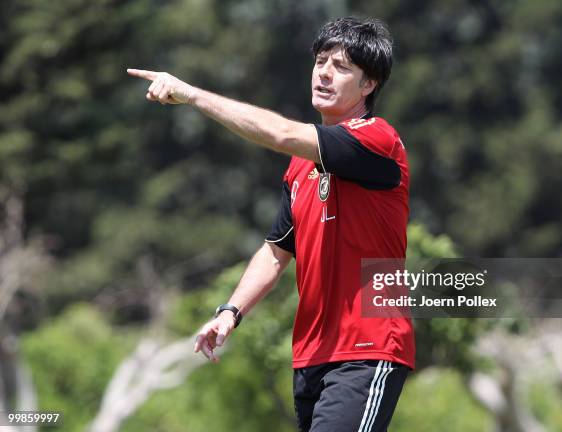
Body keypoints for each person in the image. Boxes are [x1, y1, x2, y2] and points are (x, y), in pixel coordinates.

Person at [128, 16, 414, 432]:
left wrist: (190, 95)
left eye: (341, 67)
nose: (324, 73)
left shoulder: (377, 139)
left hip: (368, 348)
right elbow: (276, 250)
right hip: (311, 355)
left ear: (368, 85)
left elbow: (280, 134)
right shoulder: (300, 167)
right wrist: (231, 311)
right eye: (320, 61)